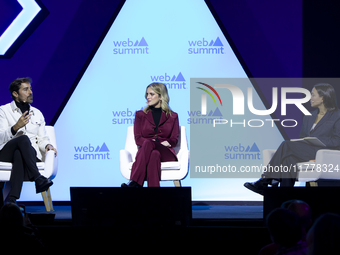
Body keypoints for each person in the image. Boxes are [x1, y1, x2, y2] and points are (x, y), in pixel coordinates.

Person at [245, 83, 340, 194]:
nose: (310, 98)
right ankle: (284, 195)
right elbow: (302, 138)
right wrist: (306, 141)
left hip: (325, 154)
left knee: (286, 145)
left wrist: (317, 142)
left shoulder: (337, 116)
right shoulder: (309, 116)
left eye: (313, 95)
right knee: (288, 160)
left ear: (323, 97)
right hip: (306, 151)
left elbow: (337, 140)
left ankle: (267, 179)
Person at [0, 77, 57, 204]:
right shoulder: (3, 111)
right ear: (15, 94)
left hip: (30, 155)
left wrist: (48, 145)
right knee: (22, 139)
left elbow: (42, 138)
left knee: (19, 153)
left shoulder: (37, 113)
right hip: (4, 153)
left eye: (30, 89)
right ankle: (37, 178)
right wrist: (15, 128)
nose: (30, 92)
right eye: (26, 89)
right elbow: (0, 139)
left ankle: (12, 200)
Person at [121, 82, 179, 187]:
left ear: (161, 96)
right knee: (154, 155)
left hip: (166, 153)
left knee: (150, 144)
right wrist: (153, 143)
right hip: (147, 151)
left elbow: (174, 140)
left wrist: (165, 142)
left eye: (152, 94)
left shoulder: (173, 116)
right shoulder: (140, 115)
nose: (148, 97)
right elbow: (138, 139)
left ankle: (135, 183)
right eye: (147, 94)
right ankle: (154, 197)